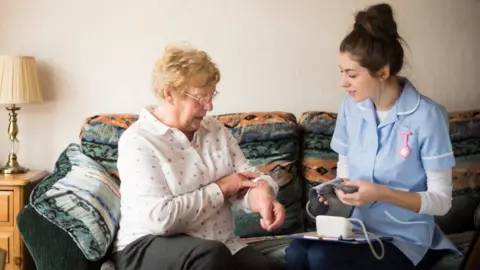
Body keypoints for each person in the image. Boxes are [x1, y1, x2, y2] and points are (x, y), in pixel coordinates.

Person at [285, 3, 459, 270]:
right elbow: (345, 168)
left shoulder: (427, 116)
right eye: (341, 71)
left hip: (403, 240)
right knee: (298, 251)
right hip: (355, 231)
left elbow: (442, 201)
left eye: (351, 74)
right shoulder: (350, 107)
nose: (343, 82)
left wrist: (382, 193)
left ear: (383, 72)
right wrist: (336, 191)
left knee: (322, 259)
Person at [112, 44, 285, 270]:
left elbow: (247, 178)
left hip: (218, 244)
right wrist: (222, 188)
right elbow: (160, 219)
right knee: (211, 256)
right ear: (169, 94)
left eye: (211, 96)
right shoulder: (138, 141)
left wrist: (263, 194)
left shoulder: (215, 129)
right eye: (200, 97)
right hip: (146, 245)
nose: (209, 106)